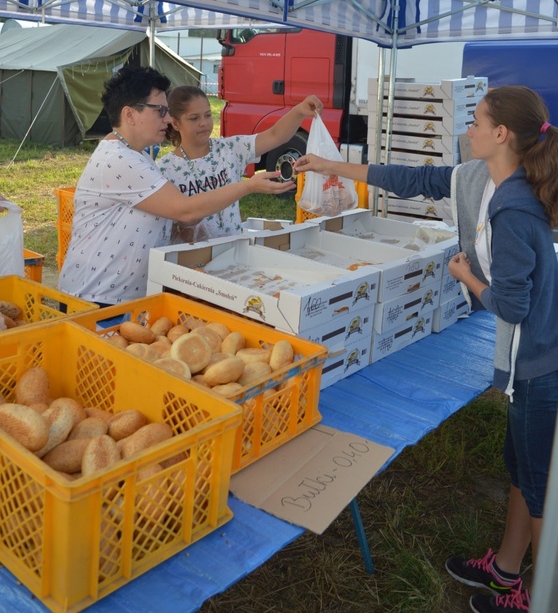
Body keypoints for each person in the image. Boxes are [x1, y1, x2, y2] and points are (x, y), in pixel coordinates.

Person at [294, 85, 558, 613]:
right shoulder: (487, 179)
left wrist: (463, 273)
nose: (468, 130)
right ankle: (507, 572)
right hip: (527, 356)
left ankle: (544, 595)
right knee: (521, 469)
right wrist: (329, 164)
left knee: (539, 484)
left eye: (477, 122)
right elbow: (413, 180)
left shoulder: (514, 209)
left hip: (539, 361)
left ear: (501, 134)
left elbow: (511, 305)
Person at [58, 65, 297, 306]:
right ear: (130, 115)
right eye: (160, 111)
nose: (167, 119)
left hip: (120, 298)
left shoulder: (137, 156)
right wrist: (247, 187)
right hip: (94, 299)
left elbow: (184, 217)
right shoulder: (120, 160)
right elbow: (185, 210)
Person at [157, 85, 323, 242]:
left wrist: (299, 111)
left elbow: (275, 135)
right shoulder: (163, 169)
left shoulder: (230, 148)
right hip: (192, 258)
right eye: (194, 118)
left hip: (235, 249)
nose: (203, 123)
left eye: (208, 115)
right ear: (176, 123)